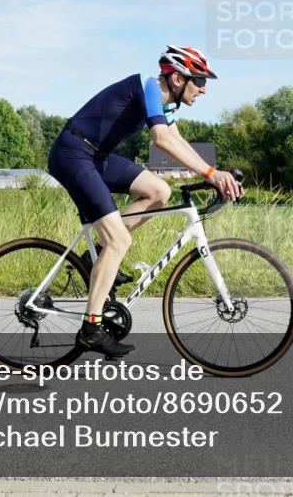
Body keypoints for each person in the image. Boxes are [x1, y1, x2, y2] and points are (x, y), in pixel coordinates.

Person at [48, 46, 242, 357]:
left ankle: (95, 256)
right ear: (178, 78)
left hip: (95, 157)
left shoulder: (164, 103)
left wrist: (211, 174)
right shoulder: (150, 86)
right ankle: (91, 329)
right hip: (73, 155)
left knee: (159, 191)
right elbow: (161, 140)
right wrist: (210, 172)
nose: (204, 89)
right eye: (200, 81)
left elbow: (176, 140)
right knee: (119, 241)